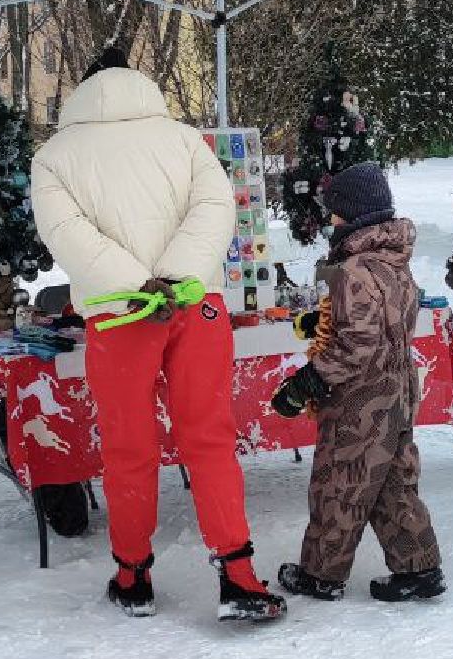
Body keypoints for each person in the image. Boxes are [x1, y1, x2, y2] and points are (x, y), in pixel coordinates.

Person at [30, 59, 286, 622]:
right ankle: (238, 575)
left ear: (81, 91)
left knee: (128, 447)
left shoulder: (54, 156)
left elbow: (66, 232)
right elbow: (216, 209)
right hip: (195, 301)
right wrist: (175, 276)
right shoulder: (184, 141)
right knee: (210, 439)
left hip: (120, 315)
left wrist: (136, 285)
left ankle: (132, 574)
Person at [270, 163, 445, 603]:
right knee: (392, 484)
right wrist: (325, 317)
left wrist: (306, 382)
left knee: (340, 484)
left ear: (352, 214)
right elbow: (387, 322)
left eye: (335, 212)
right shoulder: (394, 260)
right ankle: (419, 568)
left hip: (360, 398)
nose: (330, 221)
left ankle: (321, 575)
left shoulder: (354, 268)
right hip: (397, 389)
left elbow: (356, 346)